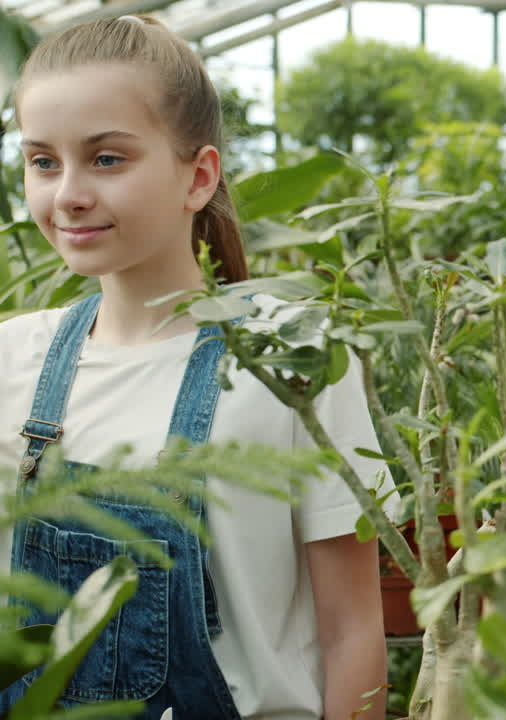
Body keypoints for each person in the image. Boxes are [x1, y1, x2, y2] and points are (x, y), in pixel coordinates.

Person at [0, 16, 388, 719]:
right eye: (43, 161)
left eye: (107, 159)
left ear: (199, 176)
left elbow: (352, 630)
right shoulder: (12, 358)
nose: (69, 195)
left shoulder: (294, 360)